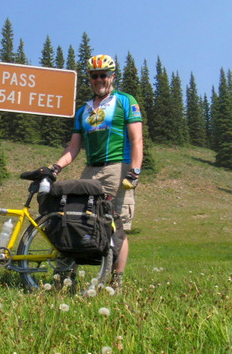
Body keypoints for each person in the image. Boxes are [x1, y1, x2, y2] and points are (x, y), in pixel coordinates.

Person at [49, 54, 143, 292]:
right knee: (75, 216)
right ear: (90, 79)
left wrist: (134, 171)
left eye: (103, 75)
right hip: (90, 169)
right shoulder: (85, 109)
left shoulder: (124, 101)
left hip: (117, 167)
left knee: (115, 224)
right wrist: (56, 167)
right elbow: (73, 147)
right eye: (94, 76)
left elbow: (137, 138)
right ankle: (67, 277)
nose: (99, 79)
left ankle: (116, 282)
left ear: (112, 76)